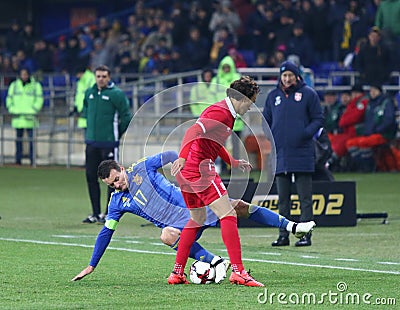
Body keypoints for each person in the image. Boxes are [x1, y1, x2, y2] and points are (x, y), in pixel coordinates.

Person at [71, 151, 315, 282]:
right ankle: (217, 262)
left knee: (238, 205)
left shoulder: (141, 168)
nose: (117, 185)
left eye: (117, 179)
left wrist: (178, 163)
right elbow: (107, 232)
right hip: (178, 225)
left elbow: (167, 154)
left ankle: (293, 226)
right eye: (111, 185)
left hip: (193, 203)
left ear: (121, 169)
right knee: (166, 235)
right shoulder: (116, 202)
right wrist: (92, 264)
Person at [169, 76, 265, 287]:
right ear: (242, 98)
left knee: (196, 218)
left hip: (189, 171)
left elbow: (212, 140)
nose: (251, 107)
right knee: (228, 214)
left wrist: (231, 160)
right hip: (198, 169)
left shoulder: (227, 113)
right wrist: (183, 156)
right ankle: (239, 272)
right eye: (251, 102)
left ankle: (177, 272)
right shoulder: (220, 112)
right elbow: (192, 131)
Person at [263, 61, 324, 247]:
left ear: (297, 76)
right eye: (284, 75)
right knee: (283, 200)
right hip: (281, 154)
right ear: (280, 77)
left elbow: (319, 119)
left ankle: (306, 235)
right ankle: (283, 235)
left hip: (302, 153)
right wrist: (273, 137)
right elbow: (266, 121)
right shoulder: (273, 96)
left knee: (305, 198)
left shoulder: (308, 94)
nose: (287, 79)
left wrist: (305, 134)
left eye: (290, 75)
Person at [81, 65, 132, 224]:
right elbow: (85, 112)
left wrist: (116, 134)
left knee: (113, 179)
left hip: (109, 143)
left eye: (104, 76)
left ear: (109, 77)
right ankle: (95, 213)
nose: (101, 79)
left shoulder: (116, 94)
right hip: (92, 143)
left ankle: (110, 213)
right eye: (98, 76)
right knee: (90, 176)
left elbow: (126, 116)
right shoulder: (89, 93)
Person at [345, 83, 397, 172]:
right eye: (371, 91)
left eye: (374, 90)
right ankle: (361, 166)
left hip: (383, 134)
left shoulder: (386, 103)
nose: (372, 93)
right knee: (351, 143)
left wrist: (377, 130)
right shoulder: (370, 104)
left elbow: (389, 120)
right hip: (370, 133)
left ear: (379, 91)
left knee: (364, 143)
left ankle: (369, 168)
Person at [6, 68, 44, 165]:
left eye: (25, 74)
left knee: (31, 140)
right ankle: (18, 160)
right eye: (22, 74)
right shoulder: (14, 85)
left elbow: (39, 100)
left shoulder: (36, 86)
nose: (24, 76)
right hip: (18, 118)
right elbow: (9, 100)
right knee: (18, 140)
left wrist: (32, 111)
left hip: (30, 118)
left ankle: (32, 160)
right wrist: (13, 110)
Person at [328, 85, 369, 171]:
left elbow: (354, 117)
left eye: (356, 93)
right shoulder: (353, 103)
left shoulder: (361, 102)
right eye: (353, 93)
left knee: (342, 144)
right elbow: (344, 119)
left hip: (356, 132)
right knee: (335, 141)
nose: (354, 95)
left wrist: (344, 121)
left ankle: (331, 164)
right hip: (348, 131)